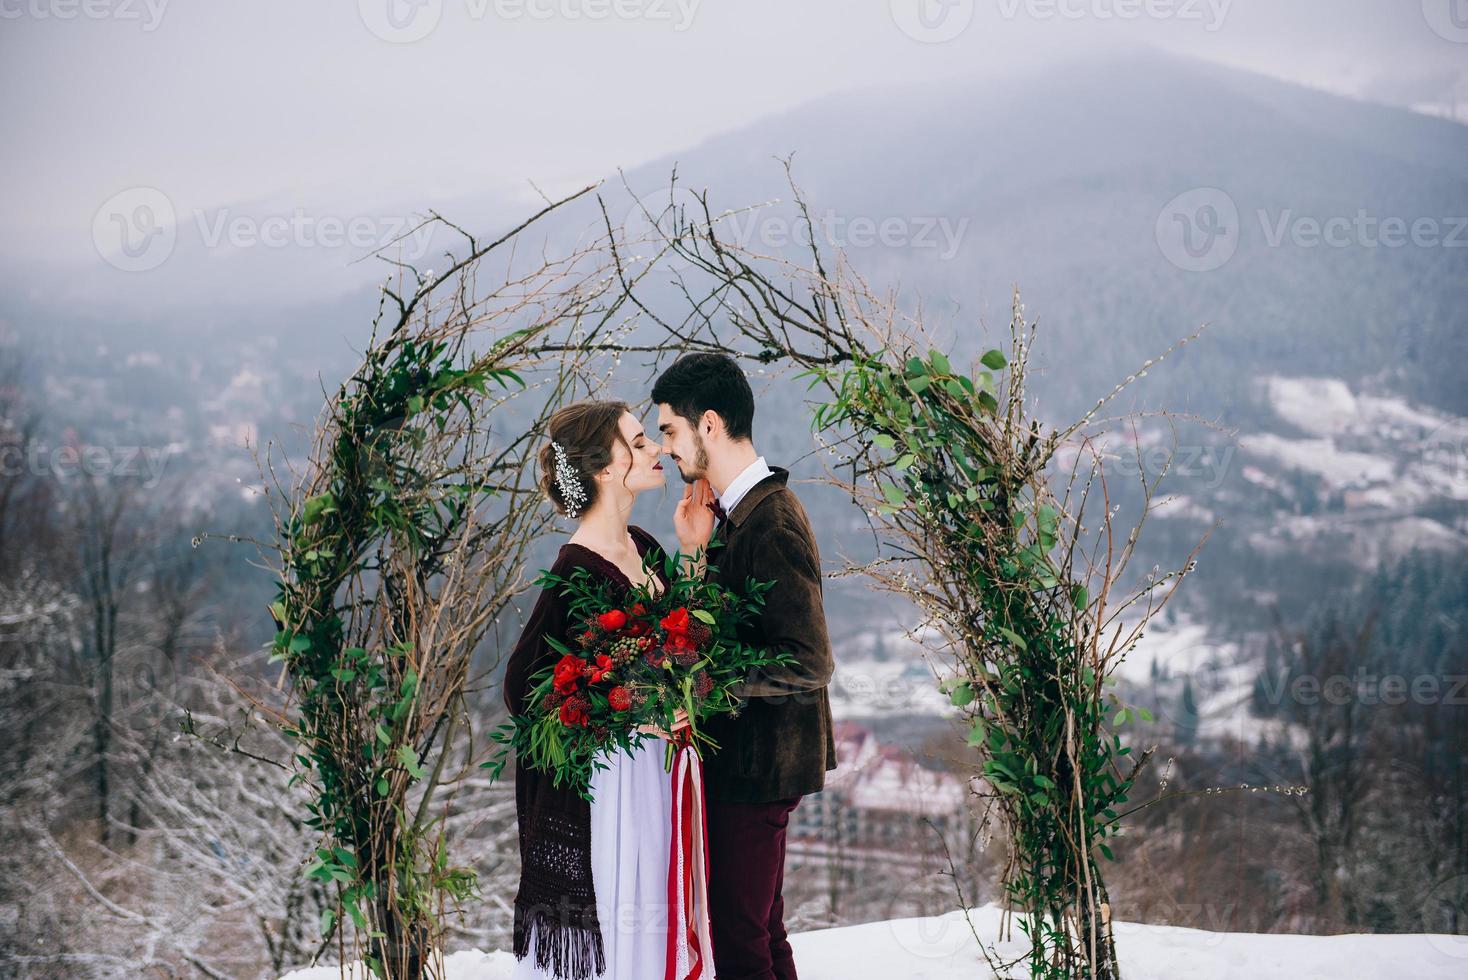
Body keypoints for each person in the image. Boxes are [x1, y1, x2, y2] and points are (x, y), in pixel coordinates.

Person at [504, 399, 717, 980]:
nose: (655, 451)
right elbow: (524, 687)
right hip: (614, 784)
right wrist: (616, 713)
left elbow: (688, 643)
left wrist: (692, 554)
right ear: (603, 467)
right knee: (629, 919)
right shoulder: (576, 569)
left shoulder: (643, 545)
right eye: (640, 441)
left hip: (656, 769)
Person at [653, 353, 838, 980]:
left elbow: (810, 659)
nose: (666, 448)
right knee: (759, 932)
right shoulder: (739, 514)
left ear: (708, 424)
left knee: (739, 940)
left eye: (670, 431)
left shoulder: (772, 518)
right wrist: (697, 555)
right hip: (751, 762)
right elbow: (731, 631)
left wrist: (705, 684)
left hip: (762, 765)